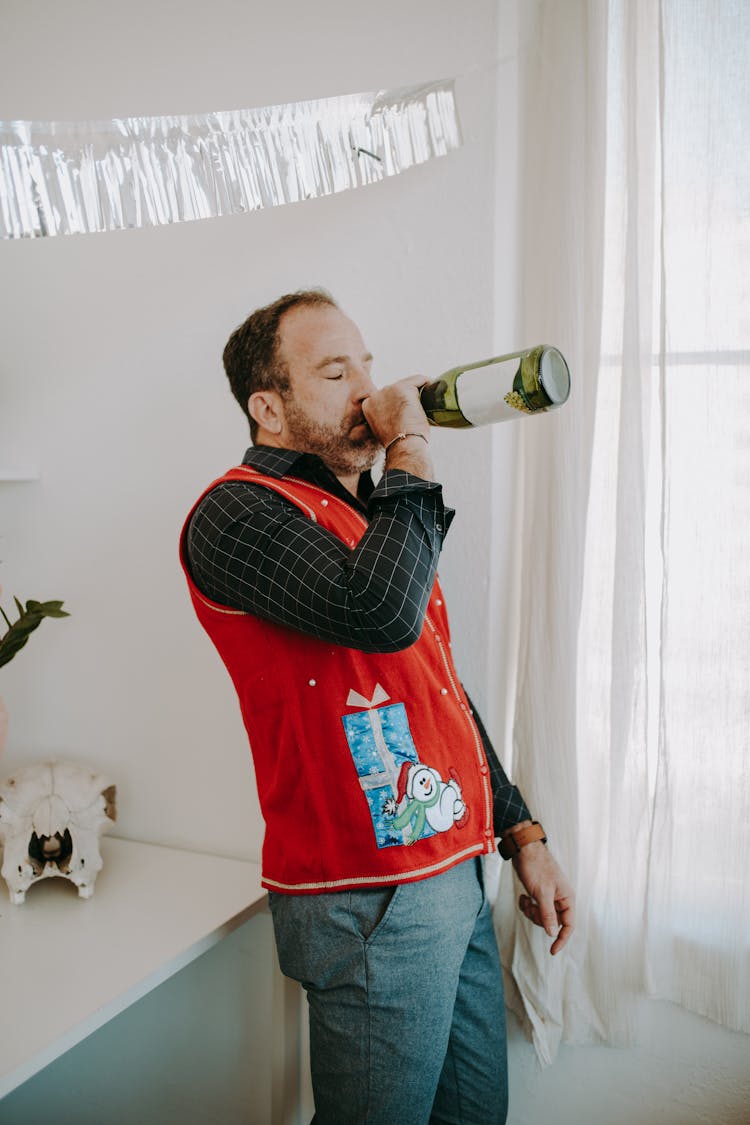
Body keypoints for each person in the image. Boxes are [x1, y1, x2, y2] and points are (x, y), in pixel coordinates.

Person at [180, 289, 575, 1125]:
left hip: (456, 866)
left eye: (366, 361)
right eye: (334, 371)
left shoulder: (370, 512)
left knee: (475, 1117)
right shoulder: (234, 512)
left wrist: (522, 832)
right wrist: (410, 443)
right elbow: (383, 616)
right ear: (269, 407)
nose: (368, 387)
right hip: (370, 894)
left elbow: (432, 682)